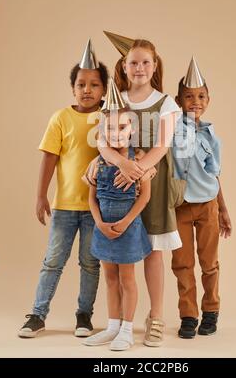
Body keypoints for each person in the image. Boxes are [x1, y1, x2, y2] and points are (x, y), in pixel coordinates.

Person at [18, 40, 108, 338]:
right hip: (65, 207)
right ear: (72, 88)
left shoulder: (109, 119)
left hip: (97, 208)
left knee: (90, 264)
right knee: (53, 261)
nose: (87, 90)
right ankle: (37, 314)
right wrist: (41, 195)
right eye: (81, 84)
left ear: (104, 90)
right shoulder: (61, 118)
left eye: (94, 84)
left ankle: (84, 316)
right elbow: (49, 158)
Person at [83, 78, 154, 351]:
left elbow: (144, 196)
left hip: (128, 228)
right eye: (109, 128)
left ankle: (126, 329)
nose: (116, 133)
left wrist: (126, 221)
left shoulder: (139, 161)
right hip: (103, 229)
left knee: (127, 278)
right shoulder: (98, 162)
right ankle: (112, 326)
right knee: (110, 278)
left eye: (122, 127)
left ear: (132, 128)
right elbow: (91, 196)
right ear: (102, 131)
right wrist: (99, 222)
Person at [171, 57, 232, 339]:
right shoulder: (171, 129)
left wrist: (223, 210)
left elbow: (214, 175)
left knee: (209, 263)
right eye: (189, 97)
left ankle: (211, 311)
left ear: (208, 99)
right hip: (181, 207)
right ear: (179, 100)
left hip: (207, 206)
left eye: (201, 96)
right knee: (183, 264)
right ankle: (188, 315)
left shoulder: (211, 135)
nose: (195, 101)